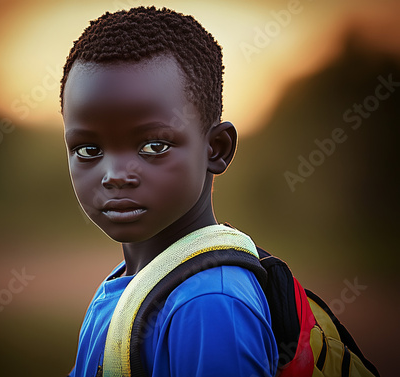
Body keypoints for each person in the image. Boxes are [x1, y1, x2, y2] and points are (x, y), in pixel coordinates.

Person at [60, 6, 278, 377]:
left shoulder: (209, 303)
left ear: (216, 149)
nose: (114, 175)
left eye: (154, 146)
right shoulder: (128, 285)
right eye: (88, 150)